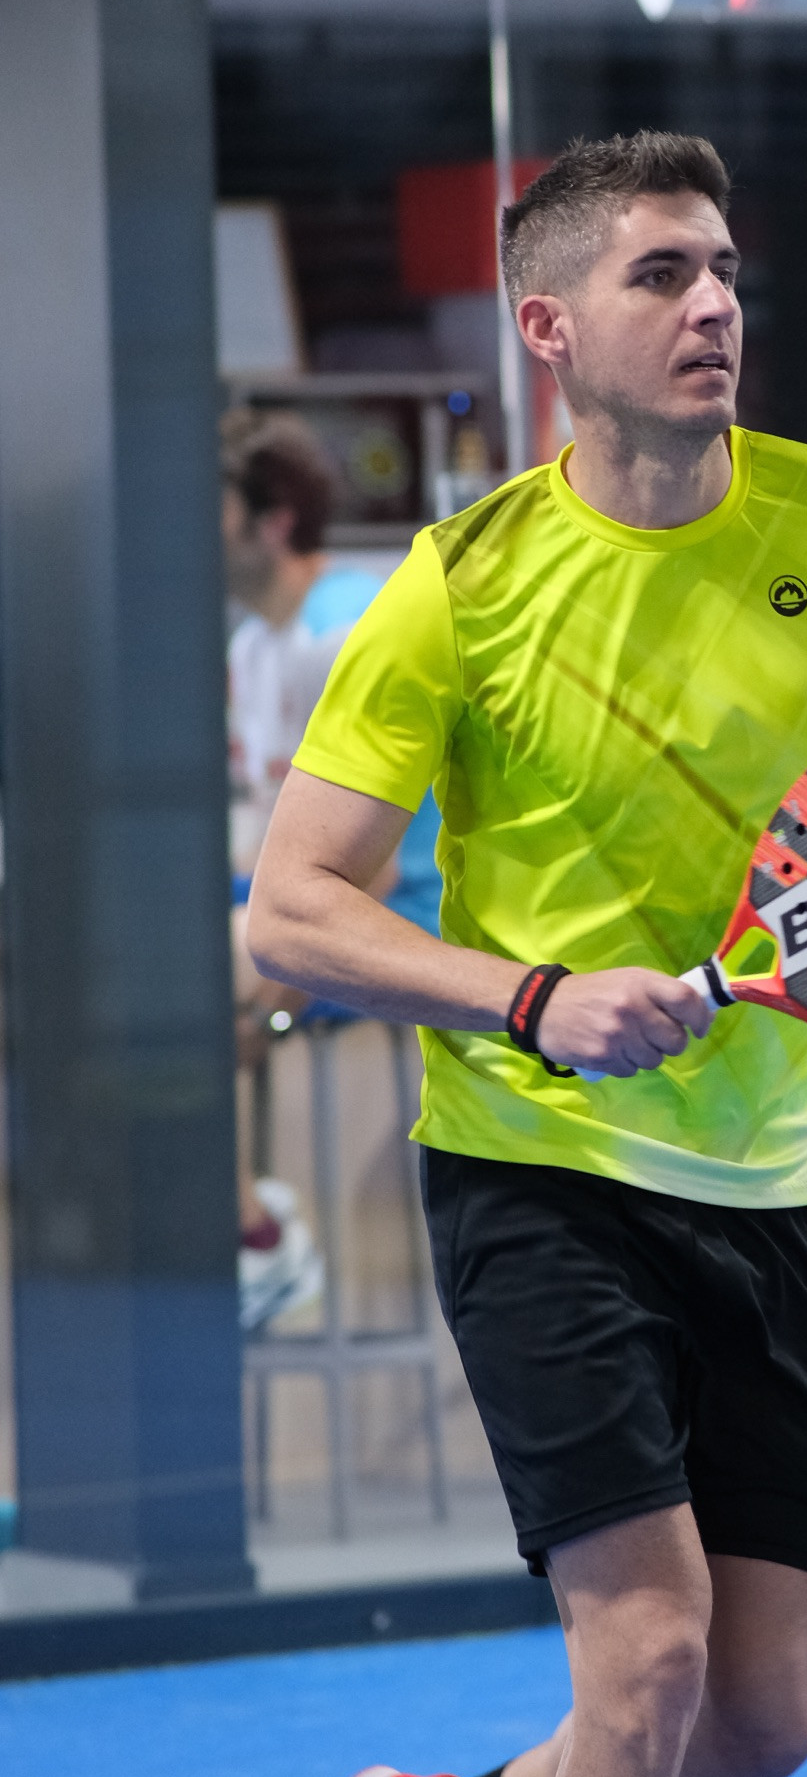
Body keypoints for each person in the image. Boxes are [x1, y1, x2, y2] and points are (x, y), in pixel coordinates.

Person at [247, 131, 807, 1777]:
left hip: (778, 1180)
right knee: (642, 1657)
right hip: (538, 1172)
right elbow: (291, 909)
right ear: (551, 327)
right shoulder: (456, 588)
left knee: (760, 1722)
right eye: (662, 274)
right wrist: (532, 998)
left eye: (722, 267)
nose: (714, 302)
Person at [222, 408, 446, 1329]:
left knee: (174, 981)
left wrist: (269, 1010)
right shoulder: (251, 648)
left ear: (271, 520)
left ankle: (257, 1243)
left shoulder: (346, 629)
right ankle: (240, 1224)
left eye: (209, 507)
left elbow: (365, 875)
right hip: (305, 897)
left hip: (409, 910)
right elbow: (262, 844)